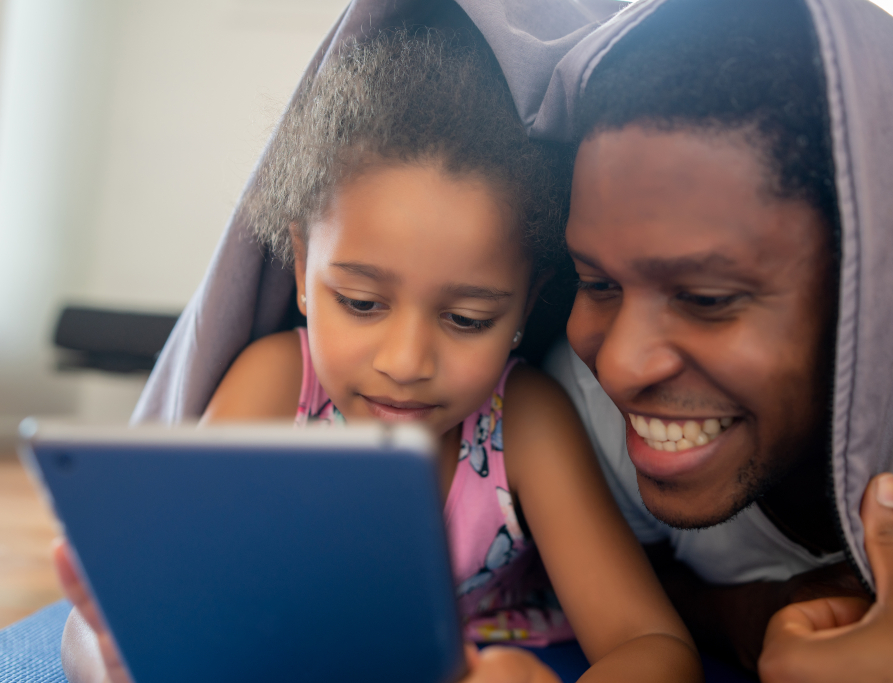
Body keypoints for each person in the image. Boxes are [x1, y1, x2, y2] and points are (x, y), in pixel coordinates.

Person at [54, 28, 702, 683]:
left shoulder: (526, 423)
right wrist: (121, 661)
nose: (406, 360)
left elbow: (652, 642)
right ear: (303, 267)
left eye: (467, 318)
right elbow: (124, 609)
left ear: (525, 306)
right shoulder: (278, 391)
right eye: (363, 302)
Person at [534, 0, 893, 679]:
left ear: (881, 292)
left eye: (706, 299)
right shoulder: (581, 409)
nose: (617, 365)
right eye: (599, 283)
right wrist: (754, 612)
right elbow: (633, 570)